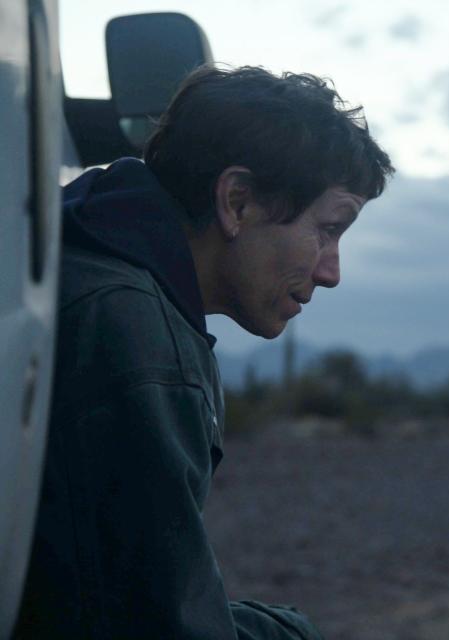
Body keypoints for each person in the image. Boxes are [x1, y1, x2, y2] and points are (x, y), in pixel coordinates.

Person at [15, 65, 393, 638]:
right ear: (237, 202)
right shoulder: (134, 340)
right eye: (329, 227)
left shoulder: (80, 261)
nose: (331, 271)